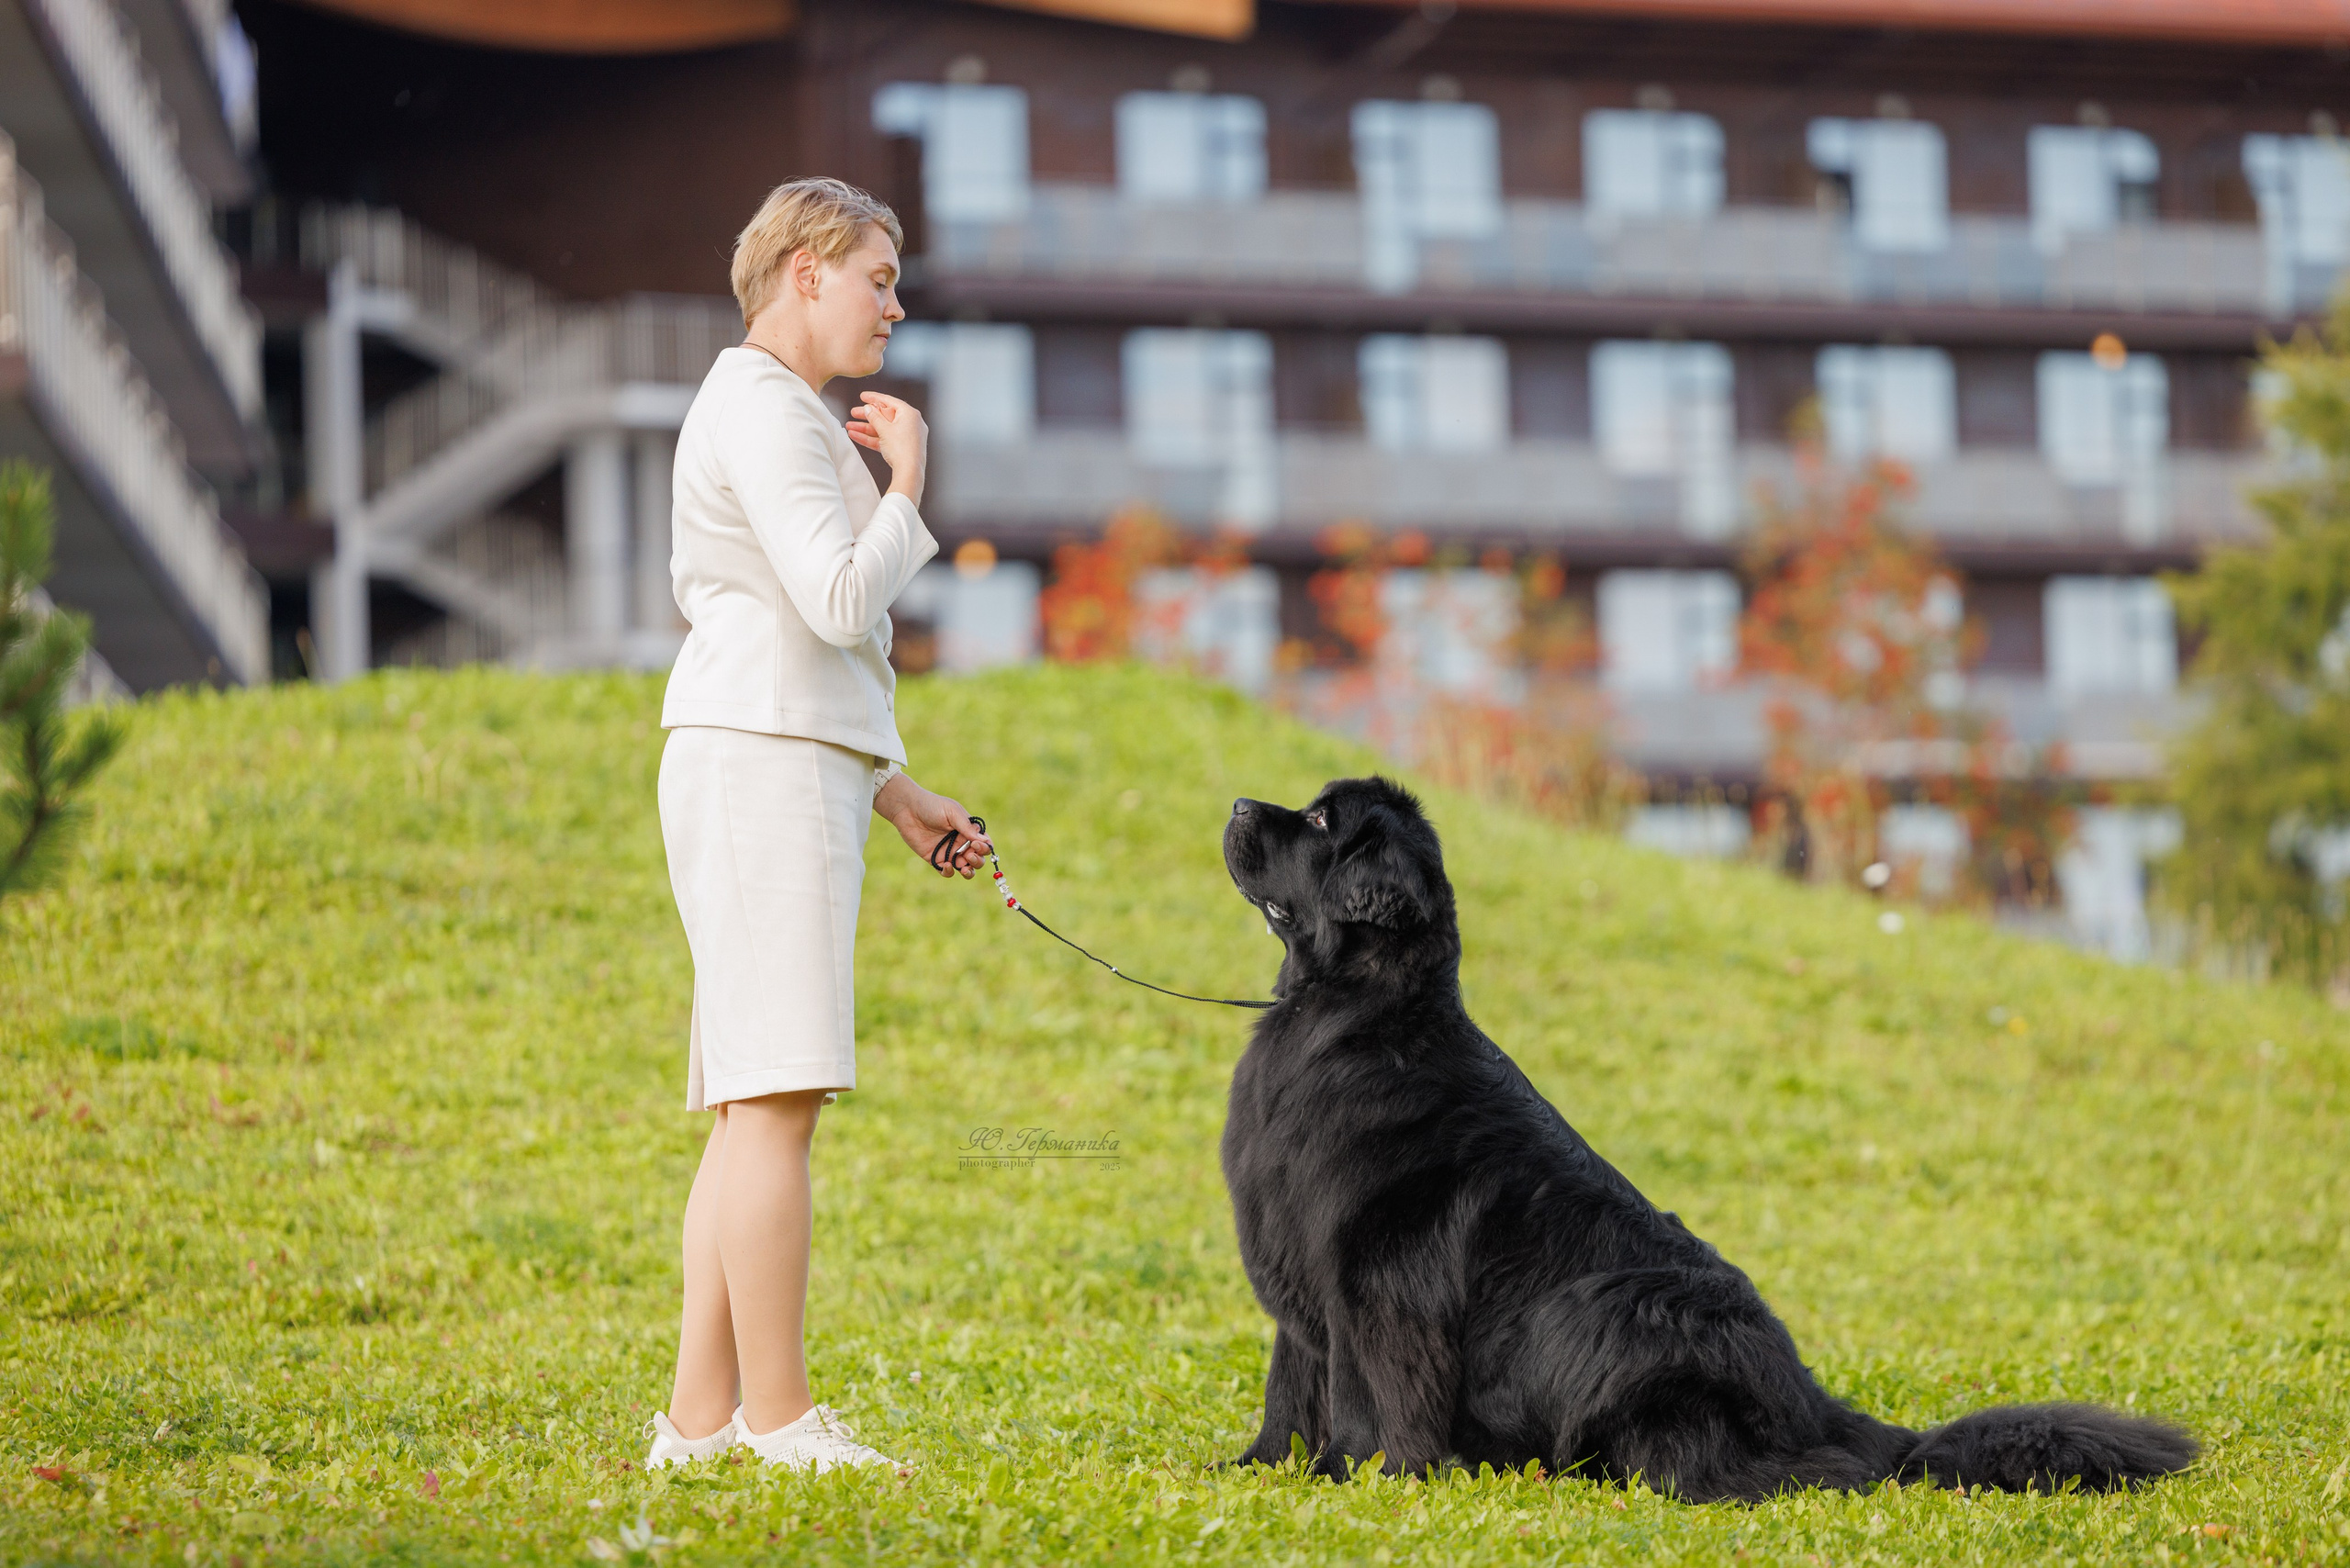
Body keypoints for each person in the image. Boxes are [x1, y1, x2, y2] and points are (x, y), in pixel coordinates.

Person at [644, 176, 989, 1473]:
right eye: (878, 279)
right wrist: (909, 482)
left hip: (772, 757)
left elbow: (808, 639)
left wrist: (899, 795)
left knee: (752, 1102)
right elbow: (841, 601)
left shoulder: (770, 409)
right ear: (803, 269)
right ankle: (782, 1423)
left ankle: (696, 1425)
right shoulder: (770, 410)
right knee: (777, 1094)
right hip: (758, 768)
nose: (894, 308)